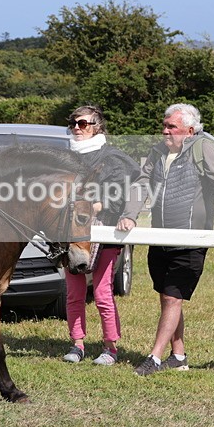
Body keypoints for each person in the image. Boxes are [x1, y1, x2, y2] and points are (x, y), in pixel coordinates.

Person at [117, 103, 214, 376]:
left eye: (172, 127)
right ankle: (178, 356)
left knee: (173, 297)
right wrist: (130, 214)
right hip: (161, 238)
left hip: (191, 240)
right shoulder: (157, 152)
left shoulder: (204, 148)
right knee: (167, 297)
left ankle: (154, 358)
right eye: (165, 126)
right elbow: (142, 184)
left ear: (190, 130)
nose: (165, 131)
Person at [62, 106, 140, 366]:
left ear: (97, 126)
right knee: (74, 293)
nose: (76, 127)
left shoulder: (114, 157)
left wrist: (99, 204)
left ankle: (111, 347)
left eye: (83, 124)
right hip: (71, 231)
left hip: (103, 231)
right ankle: (77, 344)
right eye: (73, 123)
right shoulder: (65, 156)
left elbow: (122, 191)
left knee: (103, 292)